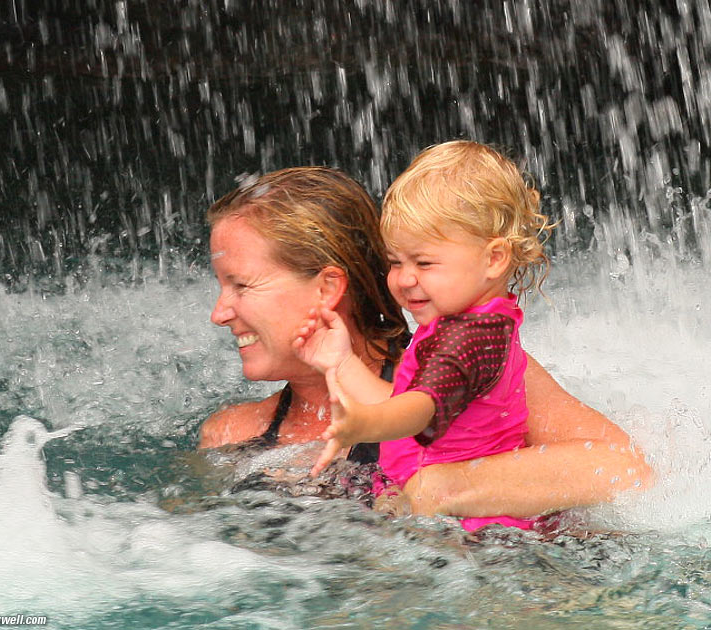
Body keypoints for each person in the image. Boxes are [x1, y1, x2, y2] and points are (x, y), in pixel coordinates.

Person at [200, 164, 652, 520]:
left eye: (241, 286)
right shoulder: (231, 435)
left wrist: (451, 486)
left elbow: (622, 467)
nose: (219, 313)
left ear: (327, 290)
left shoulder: (470, 373)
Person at [294, 141, 553, 531]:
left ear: (494, 259)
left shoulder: (470, 337)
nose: (405, 278)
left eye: (425, 262)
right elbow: (404, 402)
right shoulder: (470, 323)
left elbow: (417, 411)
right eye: (396, 262)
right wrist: (342, 361)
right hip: (449, 515)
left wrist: (363, 424)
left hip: (475, 533)